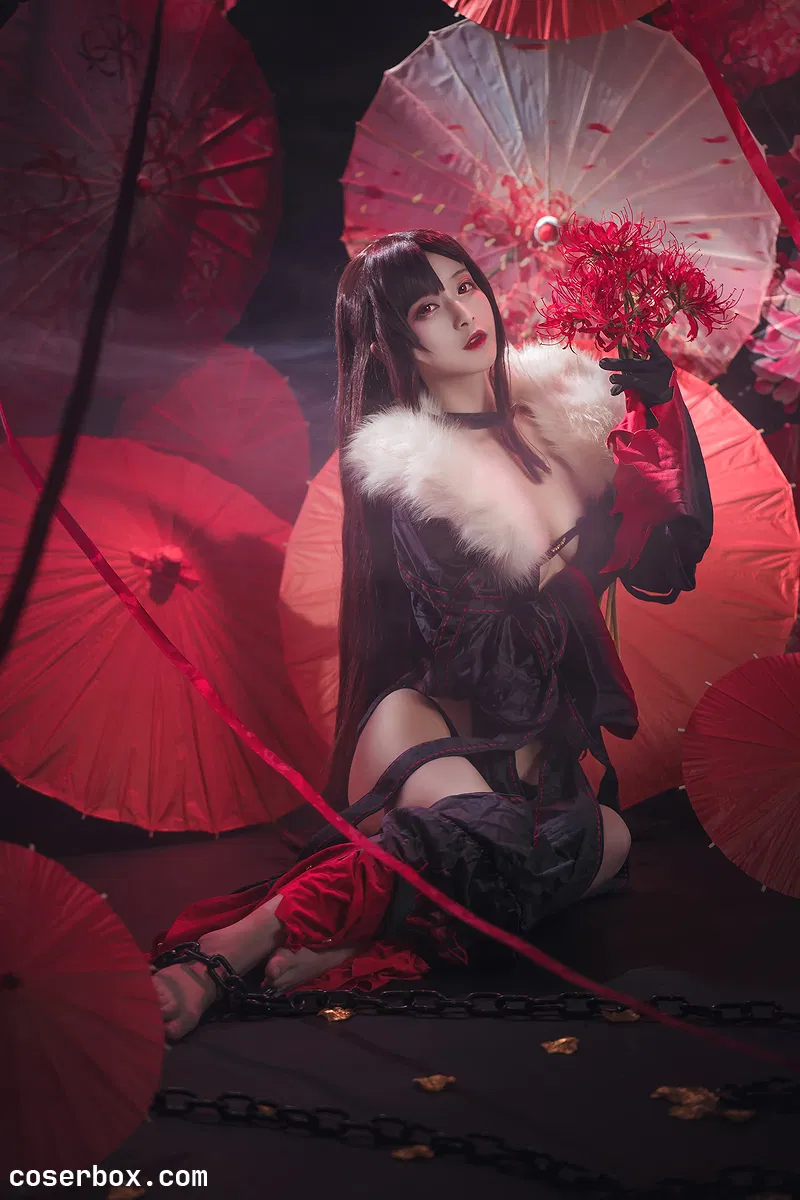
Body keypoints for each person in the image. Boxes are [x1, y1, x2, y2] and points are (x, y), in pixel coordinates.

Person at [152, 230, 712, 1040]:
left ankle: (356, 936)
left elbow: (665, 563)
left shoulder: (568, 427)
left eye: (465, 287)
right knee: (498, 843)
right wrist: (564, 562)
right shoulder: (413, 470)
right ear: (389, 339)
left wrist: (659, 415)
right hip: (428, 724)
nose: (461, 313)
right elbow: (472, 651)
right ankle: (235, 945)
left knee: (610, 840)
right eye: (426, 306)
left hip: (532, 755)